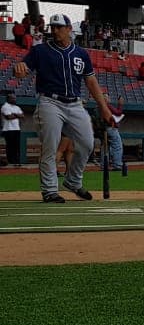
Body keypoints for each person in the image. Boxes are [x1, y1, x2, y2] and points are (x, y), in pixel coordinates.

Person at [13, 14, 112, 202]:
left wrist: (104, 108)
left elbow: (90, 81)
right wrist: (18, 67)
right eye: (53, 27)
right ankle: (50, 190)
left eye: (59, 27)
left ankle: (73, 181)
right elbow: (22, 68)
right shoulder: (40, 50)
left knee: (87, 143)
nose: (55, 30)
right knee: (50, 146)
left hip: (75, 103)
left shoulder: (81, 53)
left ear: (69, 29)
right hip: (50, 102)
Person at [102, 94, 126, 175]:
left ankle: (103, 165)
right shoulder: (107, 105)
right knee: (117, 146)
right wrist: (120, 104)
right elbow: (118, 113)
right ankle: (117, 165)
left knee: (105, 147)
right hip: (111, 128)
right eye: (107, 97)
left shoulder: (98, 106)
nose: (109, 98)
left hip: (103, 129)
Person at [2, 93, 24, 167]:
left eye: (15, 98)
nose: (14, 99)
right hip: (8, 129)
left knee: (17, 146)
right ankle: (11, 161)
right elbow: (8, 117)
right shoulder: (5, 106)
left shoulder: (17, 107)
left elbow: (23, 116)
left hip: (17, 129)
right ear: (8, 99)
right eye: (13, 98)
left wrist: (14, 114)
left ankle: (17, 161)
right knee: (10, 146)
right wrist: (18, 115)